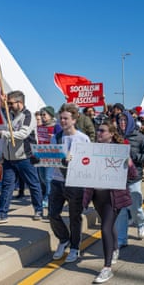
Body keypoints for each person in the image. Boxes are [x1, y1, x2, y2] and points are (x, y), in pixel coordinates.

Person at [83, 121, 133, 283]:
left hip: (113, 197)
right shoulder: (93, 150)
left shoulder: (120, 151)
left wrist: (128, 162)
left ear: (111, 133)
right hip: (98, 197)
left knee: (105, 228)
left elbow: (132, 173)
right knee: (108, 224)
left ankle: (107, 268)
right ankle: (115, 248)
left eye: (103, 131)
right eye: (98, 130)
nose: (99, 133)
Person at [49, 103, 91, 263]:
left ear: (74, 119)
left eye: (66, 118)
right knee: (53, 214)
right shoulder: (56, 137)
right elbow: (50, 157)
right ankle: (63, 238)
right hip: (57, 180)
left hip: (75, 183)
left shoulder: (83, 138)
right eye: (61, 118)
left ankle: (75, 247)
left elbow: (87, 162)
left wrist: (73, 162)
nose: (63, 121)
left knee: (75, 217)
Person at [0, 90, 43, 223]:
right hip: (9, 159)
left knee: (33, 184)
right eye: (8, 103)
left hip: (25, 158)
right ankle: (2, 213)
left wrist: (4, 133)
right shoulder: (9, 114)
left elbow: (23, 134)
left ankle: (38, 209)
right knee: (7, 186)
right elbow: (0, 115)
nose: (9, 105)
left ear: (20, 102)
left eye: (11, 103)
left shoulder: (28, 116)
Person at [115, 111, 144, 247]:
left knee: (135, 208)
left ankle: (141, 223)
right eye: (120, 121)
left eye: (125, 120)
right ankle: (121, 239)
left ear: (130, 121)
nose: (122, 123)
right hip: (118, 178)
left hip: (133, 177)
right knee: (121, 210)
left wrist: (135, 157)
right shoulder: (115, 137)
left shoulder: (140, 138)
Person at [38, 106, 62, 208]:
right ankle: (49, 194)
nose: (43, 117)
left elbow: (61, 139)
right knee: (42, 177)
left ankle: (47, 198)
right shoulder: (39, 127)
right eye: (41, 115)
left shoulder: (56, 127)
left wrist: (54, 138)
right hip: (41, 154)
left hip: (52, 154)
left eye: (44, 115)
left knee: (48, 178)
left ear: (51, 115)